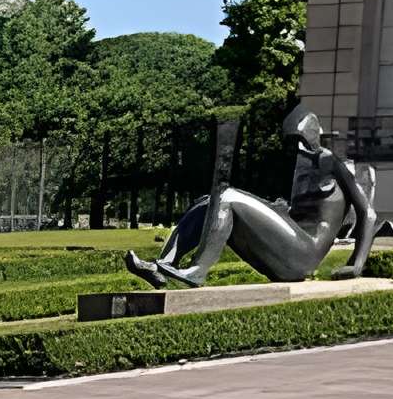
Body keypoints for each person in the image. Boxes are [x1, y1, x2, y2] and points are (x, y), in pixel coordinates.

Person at [126, 104, 378, 288]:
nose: (296, 146)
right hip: (289, 248)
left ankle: (197, 271)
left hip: (305, 254)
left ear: (312, 133)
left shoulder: (333, 162)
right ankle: (162, 265)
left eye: (299, 138)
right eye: (292, 141)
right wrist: (278, 208)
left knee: (226, 196)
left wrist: (356, 264)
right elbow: (298, 217)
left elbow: (368, 213)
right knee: (209, 203)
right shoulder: (302, 169)